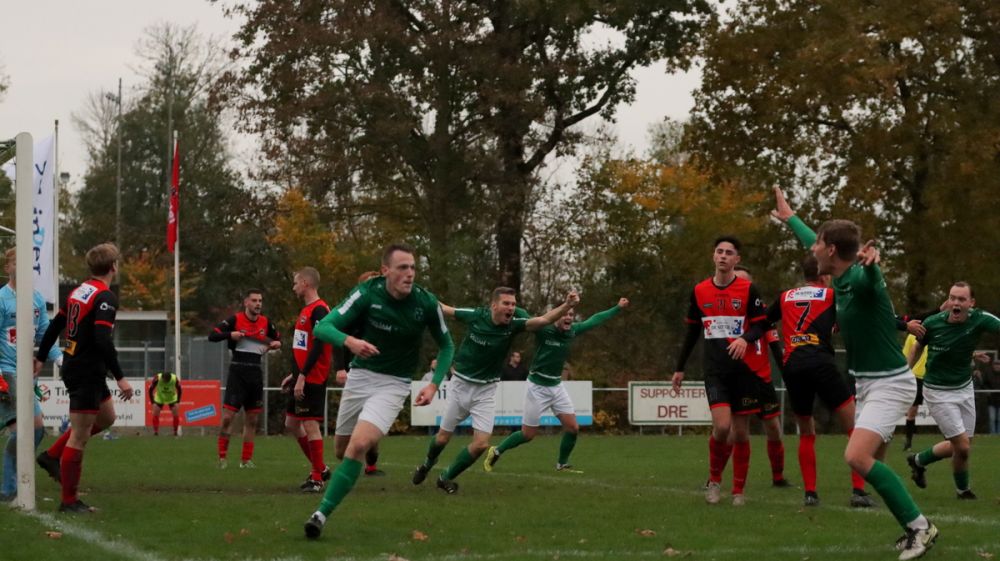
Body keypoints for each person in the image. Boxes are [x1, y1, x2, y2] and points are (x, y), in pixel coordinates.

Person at [772, 187, 936, 560]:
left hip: (890, 384)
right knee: (873, 460)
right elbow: (816, 241)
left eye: (818, 244)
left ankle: (920, 529)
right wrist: (789, 218)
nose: (811, 248)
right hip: (869, 383)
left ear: (831, 251)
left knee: (856, 457)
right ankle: (913, 529)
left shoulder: (860, 280)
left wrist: (873, 264)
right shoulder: (840, 280)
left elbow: (871, 280)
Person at [304, 243, 455, 539]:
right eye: (402, 268)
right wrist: (351, 342)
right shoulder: (367, 293)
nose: (409, 274)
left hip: (393, 384)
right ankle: (368, 439)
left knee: (357, 447)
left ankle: (320, 514)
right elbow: (323, 327)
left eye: (412, 267)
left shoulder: (426, 303)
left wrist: (434, 383)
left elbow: (447, 345)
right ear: (385, 271)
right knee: (342, 450)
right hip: (360, 378)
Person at [412, 288, 579, 493]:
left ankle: (445, 477)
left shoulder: (514, 326)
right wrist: (417, 294)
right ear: (494, 305)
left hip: (486, 391)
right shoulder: (476, 316)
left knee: (481, 444)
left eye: (513, 304)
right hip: (460, 386)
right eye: (506, 303)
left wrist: (567, 306)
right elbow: (445, 309)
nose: (511, 308)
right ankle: (427, 463)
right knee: (442, 439)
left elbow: (542, 321)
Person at [759, 254, 874, 508]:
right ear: (824, 276)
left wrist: (745, 338)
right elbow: (859, 317)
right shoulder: (831, 296)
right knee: (854, 427)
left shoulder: (786, 296)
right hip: (821, 364)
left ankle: (810, 493)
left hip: (793, 367)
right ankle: (858, 491)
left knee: (806, 431)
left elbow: (763, 321)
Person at [34, 242, 134, 513]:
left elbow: (57, 324)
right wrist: (121, 377)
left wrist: (42, 355)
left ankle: (52, 455)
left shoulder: (81, 290)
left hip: (78, 364)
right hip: (86, 370)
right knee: (79, 436)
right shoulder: (105, 297)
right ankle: (69, 501)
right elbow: (102, 339)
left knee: (107, 417)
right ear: (113, 267)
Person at [672, 236, 768, 507]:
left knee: (741, 433)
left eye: (729, 253)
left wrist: (744, 339)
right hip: (715, 370)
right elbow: (692, 331)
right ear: (714, 257)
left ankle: (738, 491)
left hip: (744, 370)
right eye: (719, 251)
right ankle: (714, 481)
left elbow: (761, 325)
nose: (723, 256)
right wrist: (679, 368)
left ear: (737, 260)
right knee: (722, 427)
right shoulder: (699, 291)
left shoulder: (749, 290)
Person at [484, 297, 629, 473]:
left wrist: (617, 307)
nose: (569, 317)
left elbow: (595, 319)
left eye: (571, 314)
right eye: (565, 314)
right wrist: (504, 307)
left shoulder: (572, 331)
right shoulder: (543, 329)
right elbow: (522, 313)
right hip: (536, 387)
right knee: (527, 435)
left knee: (573, 427)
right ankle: (497, 450)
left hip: (556, 386)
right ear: (557, 315)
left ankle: (562, 464)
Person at [905, 282, 1000, 500]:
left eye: (961, 299)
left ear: (971, 303)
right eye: (952, 298)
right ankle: (961, 489)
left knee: (961, 446)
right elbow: (917, 346)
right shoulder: (933, 324)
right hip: (937, 391)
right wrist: (906, 373)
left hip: (964, 388)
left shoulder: (980, 319)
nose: (955, 303)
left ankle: (921, 463)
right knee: (962, 446)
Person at [0, 247, 62, 502]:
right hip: (6, 372)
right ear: (8, 268)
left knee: (36, 430)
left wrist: (57, 358)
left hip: (27, 375)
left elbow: (46, 335)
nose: (23, 268)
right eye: (17, 263)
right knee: (21, 430)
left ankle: (11, 485)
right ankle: (9, 488)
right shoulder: (2, 298)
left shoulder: (36, 299)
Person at [208, 289, 280, 468]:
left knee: (252, 420)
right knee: (227, 418)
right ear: (246, 303)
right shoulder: (235, 320)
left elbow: (277, 340)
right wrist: (229, 335)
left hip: (256, 373)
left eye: (260, 301)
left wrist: (277, 344)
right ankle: (222, 458)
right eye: (254, 300)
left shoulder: (266, 322)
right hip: (237, 372)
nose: (258, 304)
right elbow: (212, 336)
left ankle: (246, 460)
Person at [732, 265, 787, 488]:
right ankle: (715, 478)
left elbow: (775, 346)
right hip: (736, 377)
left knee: (774, 427)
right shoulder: (726, 313)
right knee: (733, 432)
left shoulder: (763, 313)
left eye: (746, 283)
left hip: (762, 378)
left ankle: (778, 477)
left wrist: (787, 375)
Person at [331, 270, 387, 477]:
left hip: (381, 375)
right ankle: (352, 456)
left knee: (373, 424)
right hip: (355, 373)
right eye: (370, 284)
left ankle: (370, 465)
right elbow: (336, 337)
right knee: (342, 448)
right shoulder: (351, 312)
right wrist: (340, 368)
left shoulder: (385, 311)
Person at [280, 267, 332, 492]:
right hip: (301, 375)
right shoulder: (307, 310)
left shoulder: (320, 310)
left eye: (295, 283)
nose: (293, 287)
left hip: (313, 377)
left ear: (305, 283)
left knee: (310, 424)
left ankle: (317, 478)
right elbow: (303, 346)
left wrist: (302, 376)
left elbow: (319, 346)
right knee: (291, 424)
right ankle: (321, 467)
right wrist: (294, 374)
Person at [901, 334, 928, 451]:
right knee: (913, 410)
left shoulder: (936, 331)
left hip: (933, 377)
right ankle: (908, 442)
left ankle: (950, 440)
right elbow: (906, 355)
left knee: (943, 408)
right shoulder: (912, 336)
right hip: (916, 377)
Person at [148, 371, 182, 437]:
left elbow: (179, 389)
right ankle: (156, 432)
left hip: (172, 398)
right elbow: (150, 390)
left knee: (176, 414)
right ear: (162, 378)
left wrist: (178, 402)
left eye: (166, 381)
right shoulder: (157, 378)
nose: (165, 382)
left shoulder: (174, 379)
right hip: (160, 397)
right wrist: (153, 402)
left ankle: (175, 432)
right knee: (155, 414)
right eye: (164, 381)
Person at [975, 354, 1000, 434]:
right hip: (991, 401)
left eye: (999, 365)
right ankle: (993, 434)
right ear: (993, 366)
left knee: (999, 419)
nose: (997, 366)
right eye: (996, 364)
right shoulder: (988, 373)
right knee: (992, 419)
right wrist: (987, 391)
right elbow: (983, 384)